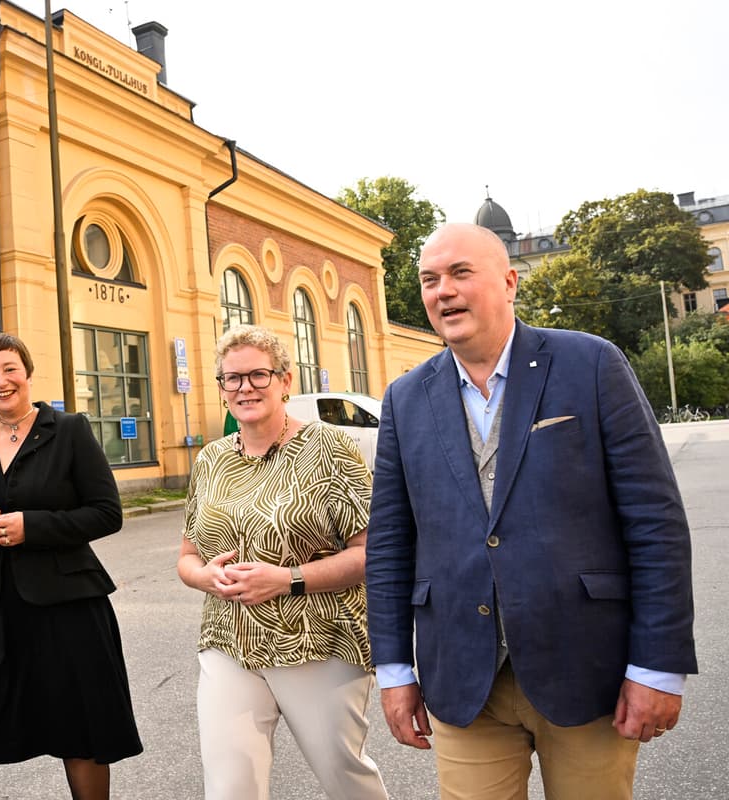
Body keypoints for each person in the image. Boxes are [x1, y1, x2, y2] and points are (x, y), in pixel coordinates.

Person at [365, 223, 698, 800]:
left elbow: (655, 523)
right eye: (429, 279)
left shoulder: (590, 364)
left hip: (586, 670)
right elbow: (391, 543)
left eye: (460, 273)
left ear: (510, 281)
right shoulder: (405, 398)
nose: (442, 291)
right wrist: (394, 670)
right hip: (464, 678)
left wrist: (657, 666)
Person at [178, 324, 389, 800]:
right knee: (230, 788)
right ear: (222, 390)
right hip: (228, 643)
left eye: (258, 375)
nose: (244, 387)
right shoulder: (210, 459)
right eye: (231, 379)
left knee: (345, 777)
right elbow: (188, 558)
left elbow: (370, 551)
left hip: (317, 641)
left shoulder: (331, 450)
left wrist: (289, 579)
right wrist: (207, 576)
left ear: (285, 381)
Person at [0, 332, 142, 800]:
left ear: (27, 374)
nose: (1, 381)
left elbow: (107, 513)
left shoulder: (69, 430)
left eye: (9, 370)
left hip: (68, 606)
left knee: (81, 737)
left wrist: (33, 527)